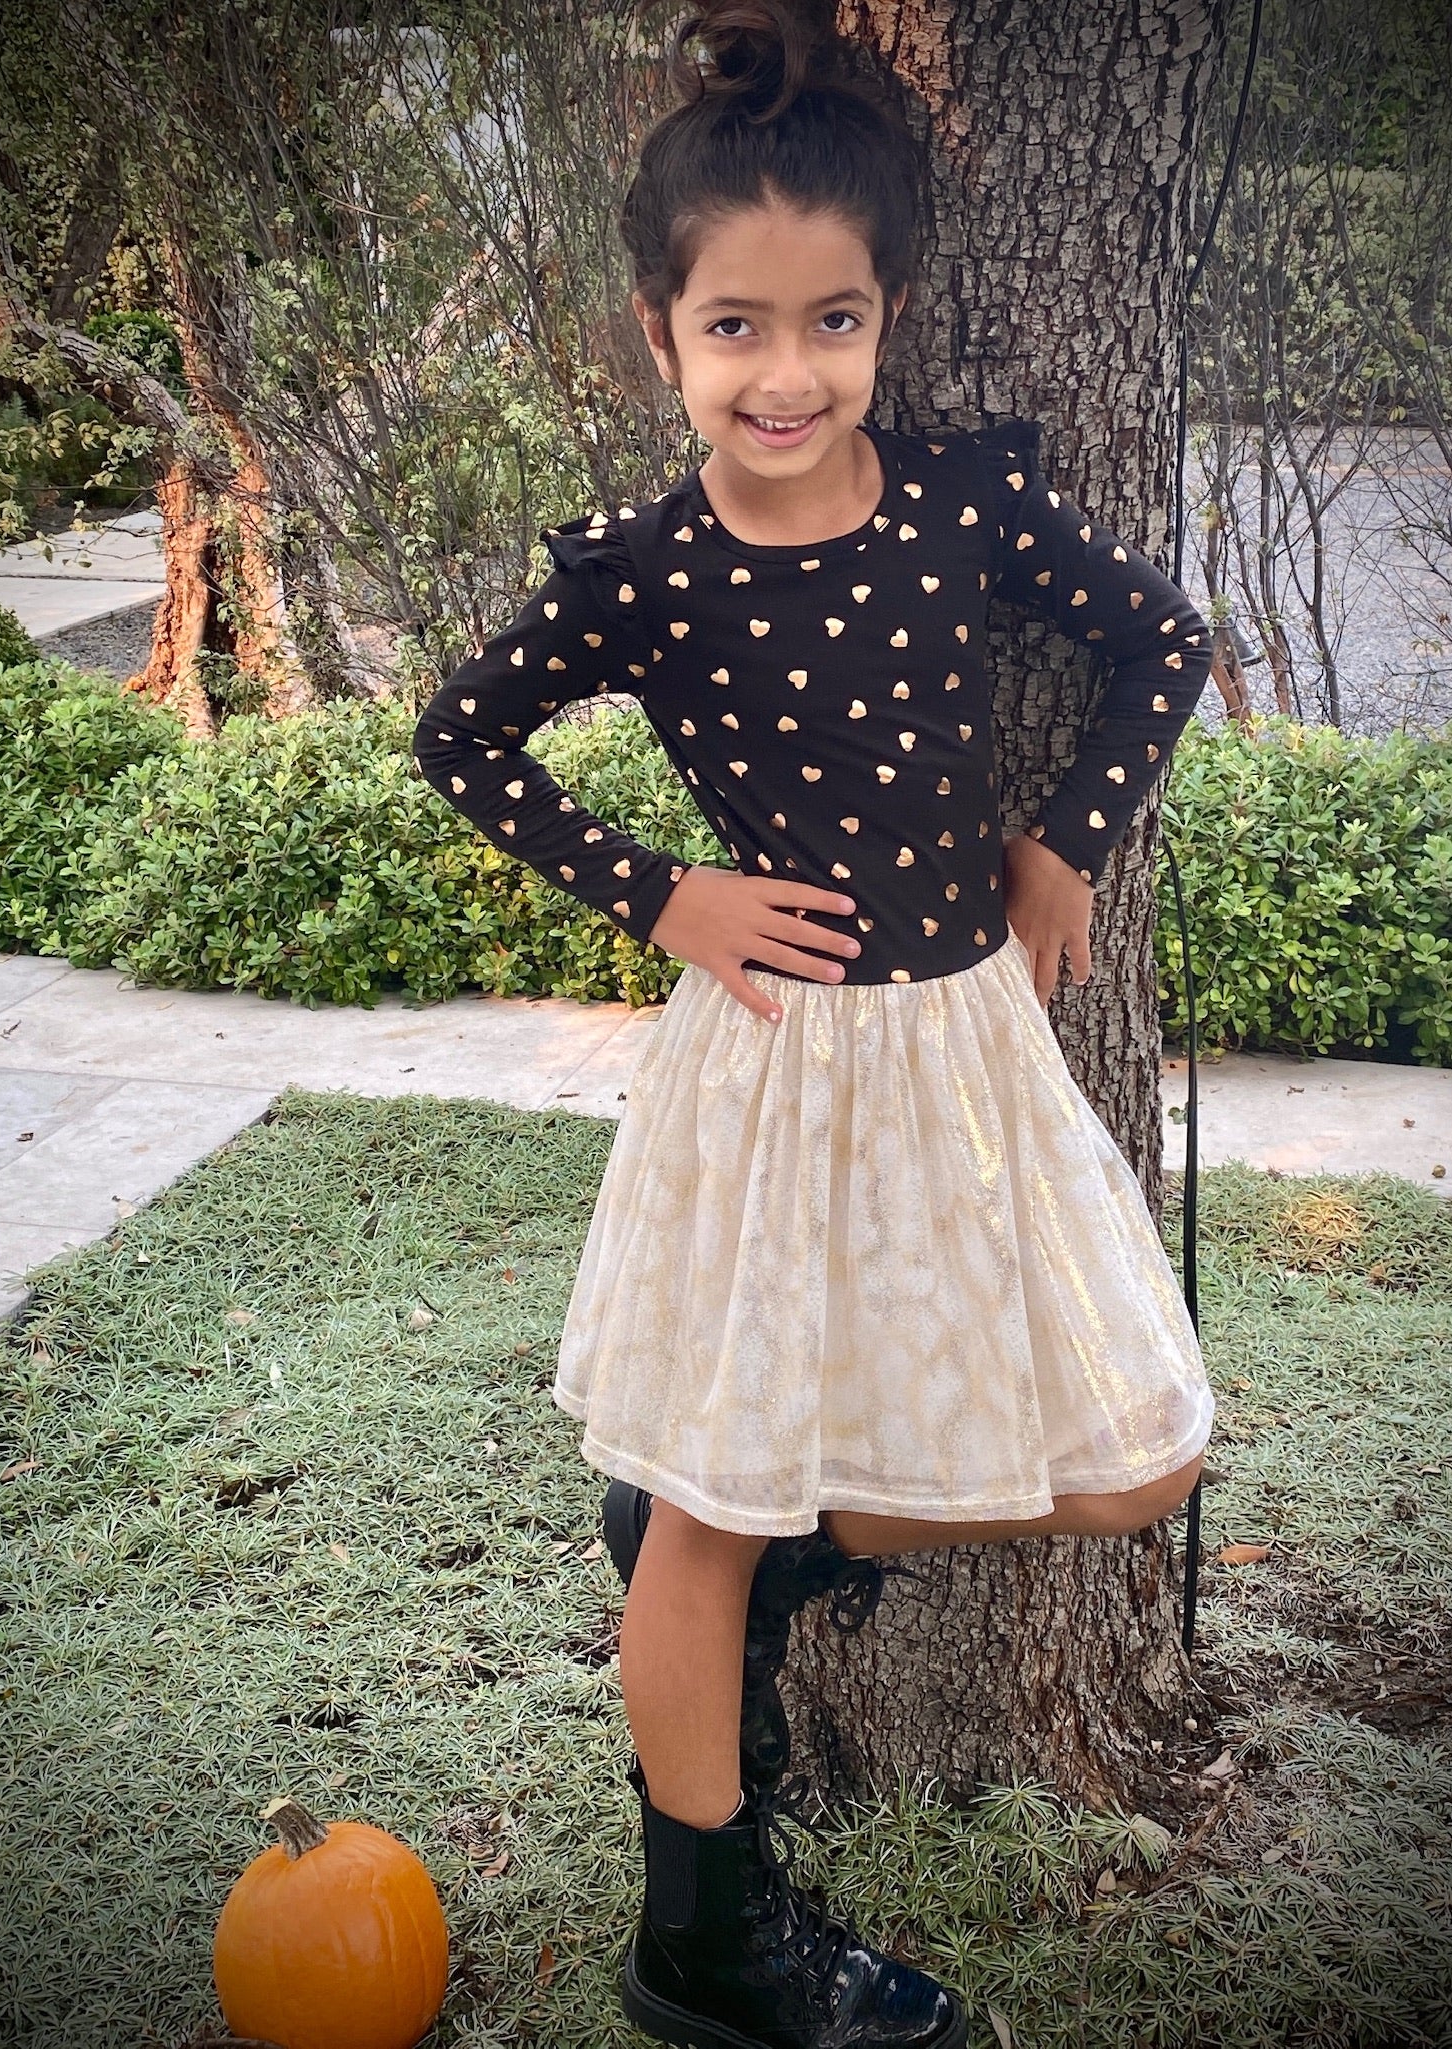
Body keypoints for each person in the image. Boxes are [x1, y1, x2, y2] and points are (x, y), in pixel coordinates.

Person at [413, 3, 1216, 2041]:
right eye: (737, 328)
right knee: (703, 1515)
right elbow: (461, 737)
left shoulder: (957, 508)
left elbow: (1160, 633)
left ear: (887, 319)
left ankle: (735, 1530)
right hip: (766, 1068)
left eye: (832, 322)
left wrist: (1065, 846)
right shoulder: (649, 571)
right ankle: (711, 1930)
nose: (787, 373)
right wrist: (661, 891)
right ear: (658, 333)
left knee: (1126, 1458)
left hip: (954, 1052)